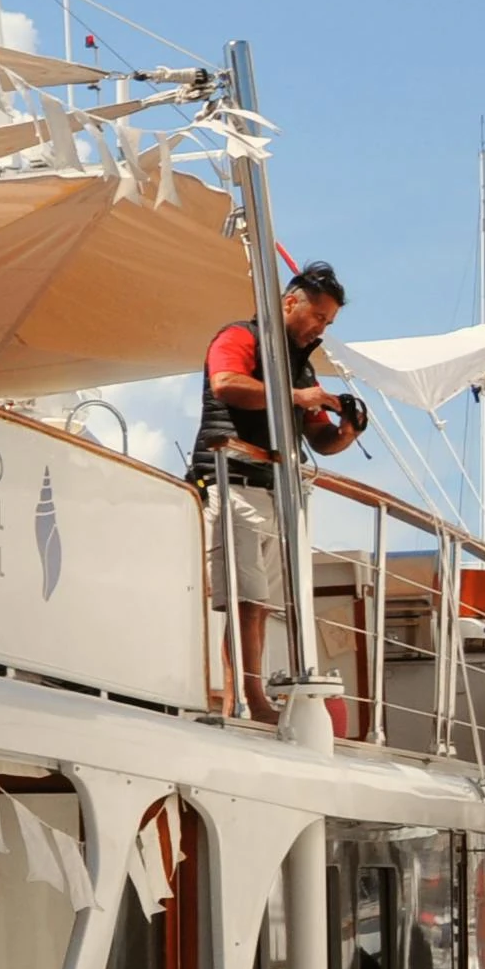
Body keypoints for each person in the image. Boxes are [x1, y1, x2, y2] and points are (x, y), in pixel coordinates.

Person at [190, 261, 361, 723]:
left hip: (270, 488)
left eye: (328, 322)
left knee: (258, 603)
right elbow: (226, 384)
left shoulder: (300, 369)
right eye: (319, 317)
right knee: (246, 599)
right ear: (290, 302)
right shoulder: (240, 336)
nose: (320, 329)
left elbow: (320, 439)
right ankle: (243, 699)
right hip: (233, 479)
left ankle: (249, 696)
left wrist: (347, 431)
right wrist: (295, 395)